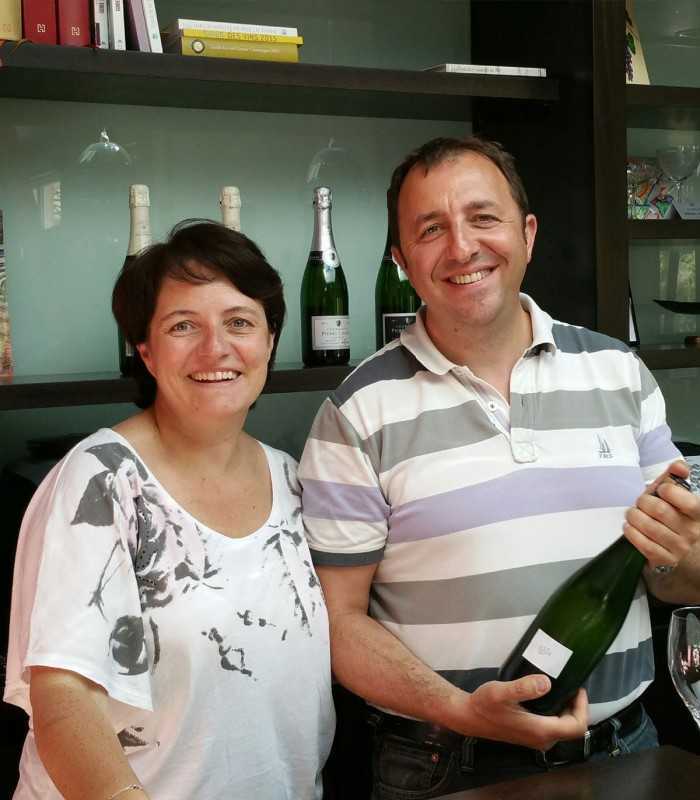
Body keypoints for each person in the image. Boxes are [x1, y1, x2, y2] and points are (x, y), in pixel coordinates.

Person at [298, 137, 700, 798]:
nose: (461, 248)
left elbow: (675, 576)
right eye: (431, 230)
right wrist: (460, 711)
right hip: (442, 769)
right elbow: (338, 625)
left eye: (484, 219)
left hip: (624, 752)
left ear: (528, 233)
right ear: (401, 259)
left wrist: (689, 552)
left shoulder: (619, 374)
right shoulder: (356, 413)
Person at [4, 221, 335, 800]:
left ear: (270, 340)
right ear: (146, 350)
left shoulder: (291, 476)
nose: (216, 348)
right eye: (184, 326)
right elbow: (62, 699)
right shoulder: (102, 480)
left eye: (239, 322)